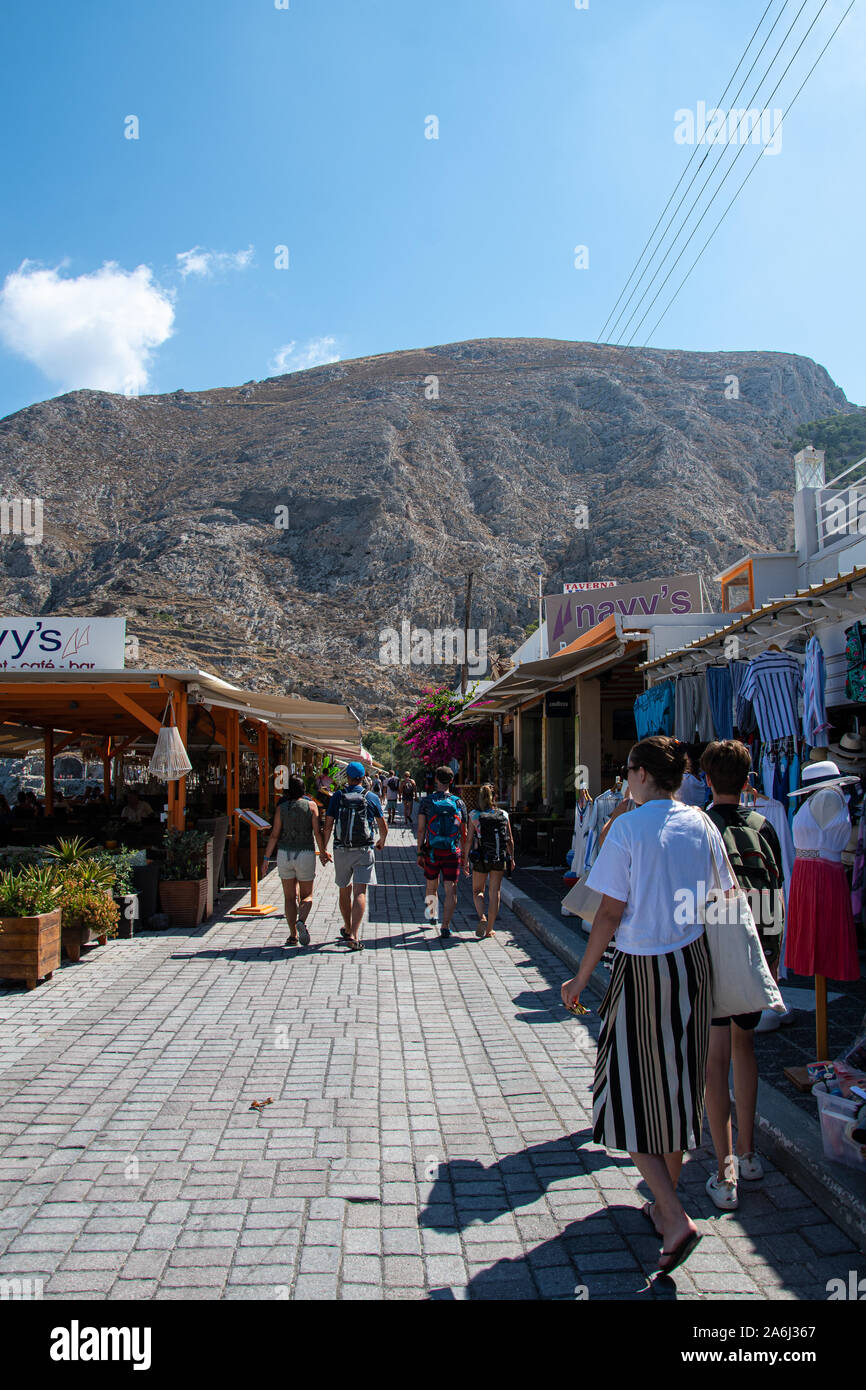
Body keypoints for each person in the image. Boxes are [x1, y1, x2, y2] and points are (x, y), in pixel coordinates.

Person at [560, 735, 735, 1278]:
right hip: (694, 965)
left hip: (641, 968)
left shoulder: (628, 827)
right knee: (678, 1087)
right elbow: (723, 899)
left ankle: (676, 1215)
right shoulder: (702, 823)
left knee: (623, 1090)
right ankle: (663, 1207)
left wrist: (580, 976)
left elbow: (609, 913)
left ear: (637, 773)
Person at [699, 740, 785, 1210]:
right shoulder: (764, 827)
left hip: (712, 950)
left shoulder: (700, 825)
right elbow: (775, 895)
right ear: (749, 781)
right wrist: (769, 959)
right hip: (753, 946)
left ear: (707, 779)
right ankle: (750, 1154)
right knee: (744, 1048)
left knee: (714, 1059)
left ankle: (724, 1169)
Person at [323, 761, 387, 951]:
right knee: (360, 892)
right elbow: (382, 825)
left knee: (344, 889)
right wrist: (381, 841)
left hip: (341, 849)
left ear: (347, 777)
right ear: (363, 777)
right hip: (364, 850)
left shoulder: (337, 796)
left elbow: (328, 825)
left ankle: (348, 926)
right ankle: (354, 935)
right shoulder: (371, 797)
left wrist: (324, 847)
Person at [263, 775, 331, 947]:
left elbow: (274, 834)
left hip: (284, 854)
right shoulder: (311, 806)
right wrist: (323, 853)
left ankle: (292, 935)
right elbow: (317, 832)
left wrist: (265, 858)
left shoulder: (281, 808)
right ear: (303, 790)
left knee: (288, 897)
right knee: (306, 895)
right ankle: (301, 920)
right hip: (305, 853)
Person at [416, 766, 468, 939]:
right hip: (452, 852)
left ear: (436, 780)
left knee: (431, 884)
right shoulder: (459, 803)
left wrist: (419, 851)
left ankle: (432, 914)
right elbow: (464, 833)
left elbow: (421, 829)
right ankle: (446, 926)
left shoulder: (427, 802)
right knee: (451, 889)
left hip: (432, 851)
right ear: (452, 781)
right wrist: (465, 857)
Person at [463, 783, 513, 939]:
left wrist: (465, 860)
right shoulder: (503, 815)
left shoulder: (474, 815)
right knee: (495, 892)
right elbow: (510, 839)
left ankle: (482, 917)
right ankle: (490, 929)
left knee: (478, 891)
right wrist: (512, 857)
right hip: (498, 856)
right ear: (495, 797)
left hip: (481, 857)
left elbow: (469, 840)